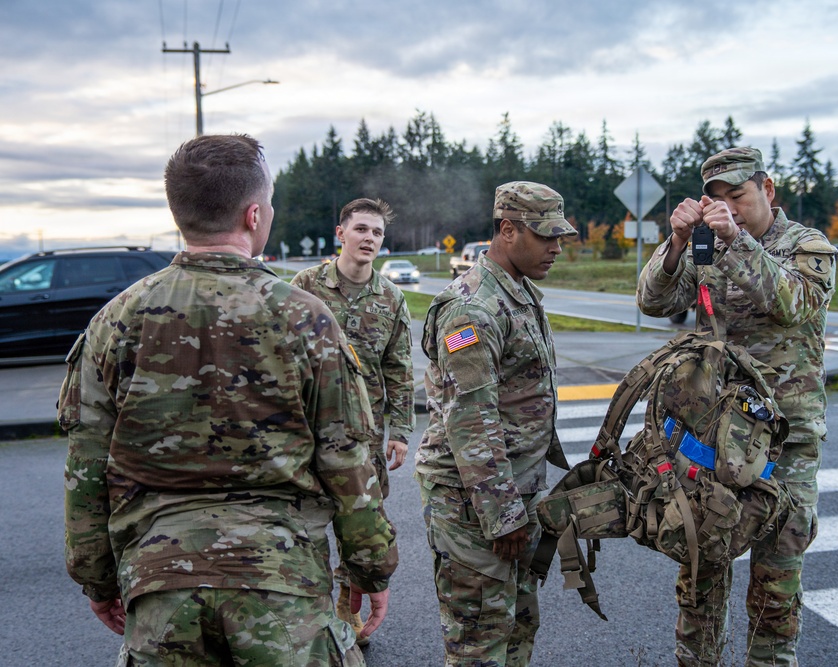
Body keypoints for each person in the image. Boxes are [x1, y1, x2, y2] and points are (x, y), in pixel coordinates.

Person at [59, 134, 398, 666]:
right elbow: (347, 461)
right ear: (254, 214)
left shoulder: (115, 320)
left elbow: (86, 470)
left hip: (161, 584)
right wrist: (370, 568)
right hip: (281, 586)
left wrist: (96, 580)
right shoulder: (305, 318)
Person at [636, 147, 837, 667]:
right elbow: (654, 302)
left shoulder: (807, 246)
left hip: (785, 437)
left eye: (738, 196)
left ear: (767, 190)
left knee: (777, 573)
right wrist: (677, 244)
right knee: (701, 564)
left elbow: (792, 303)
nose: (726, 207)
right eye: (715, 199)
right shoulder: (706, 245)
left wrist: (735, 240)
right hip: (713, 433)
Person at [414, 181, 577, 666]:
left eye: (561, 237)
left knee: (518, 626)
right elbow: (471, 418)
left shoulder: (518, 291)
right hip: (475, 505)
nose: (556, 248)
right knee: (480, 642)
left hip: (512, 492)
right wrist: (503, 515)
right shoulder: (474, 307)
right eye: (545, 236)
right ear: (507, 230)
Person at [291, 197, 414, 643]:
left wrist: (400, 431)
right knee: (305, 523)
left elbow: (400, 369)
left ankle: (349, 611)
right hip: (309, 433)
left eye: (377, 233)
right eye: (361, 229)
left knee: (361, 528)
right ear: (340, 233)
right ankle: (307, 610)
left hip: (365, 436)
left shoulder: (391, 297)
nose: (369, 239)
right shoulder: (305, 285)